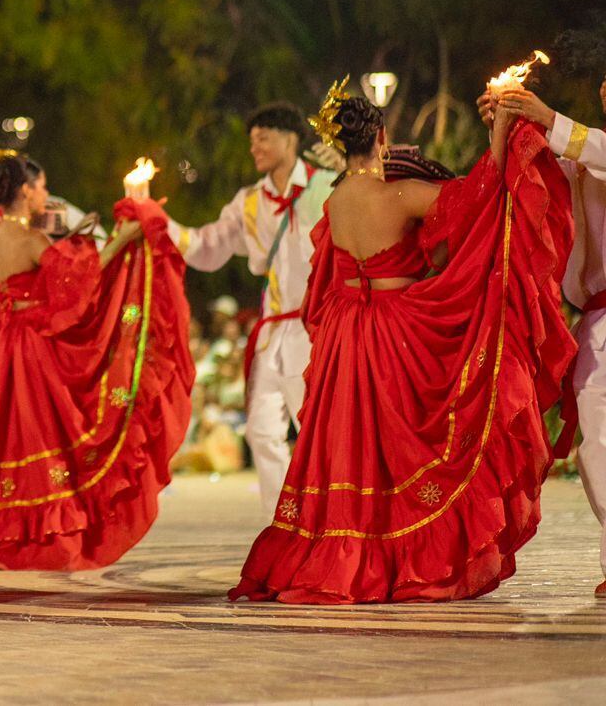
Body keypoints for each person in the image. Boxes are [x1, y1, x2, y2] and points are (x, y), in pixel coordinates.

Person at [231, 83, 575, 603]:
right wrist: (502, 131)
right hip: (396, 330)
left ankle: (346, 549)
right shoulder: (398, 194)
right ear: (382, 138)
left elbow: (324, 279)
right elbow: (478, 196)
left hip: (346, 335)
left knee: (355, 448)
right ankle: (402, 559)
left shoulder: (334, 200)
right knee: (404, 446)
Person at [0, 150, 194, 569]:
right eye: (42, 187)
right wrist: (123, 239)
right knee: (39, 437)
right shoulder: (30, 239)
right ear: (25, 190)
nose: (44, 194)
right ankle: (42, 538)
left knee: (0, 439)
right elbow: (81, 281)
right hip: (30, 350)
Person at [166, 103, 338, 518]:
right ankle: (282, 524)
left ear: (290, 139)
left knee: (316, 432)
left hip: (316, 329)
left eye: (263, 138)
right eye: (252, 140)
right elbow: (207, 246)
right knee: (260, 431)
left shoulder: (328, 186)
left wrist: (355, 170)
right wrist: (158, 223)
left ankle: (331, 521)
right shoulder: (250, 201)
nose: (254, 147)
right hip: (271, 334)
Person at [488, 63, 606, 596]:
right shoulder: (581, 158)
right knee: (596, 447)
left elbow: (587, 145)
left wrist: (546, 116)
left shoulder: (593, 147)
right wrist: (509, 124)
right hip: (596, 322)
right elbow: (537, 174)